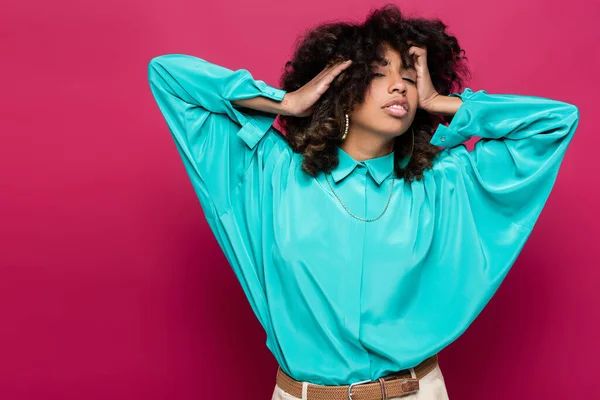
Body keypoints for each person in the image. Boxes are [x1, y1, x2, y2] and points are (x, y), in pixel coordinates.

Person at [147, 4, 580, 400]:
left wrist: (443, 103)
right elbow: (167, 76)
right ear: (343, 85)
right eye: (381, 72)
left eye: (411, 79)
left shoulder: (442, 186)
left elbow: (556, 123)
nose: (401, 86)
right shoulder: (270, 173)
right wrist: (285, 102)